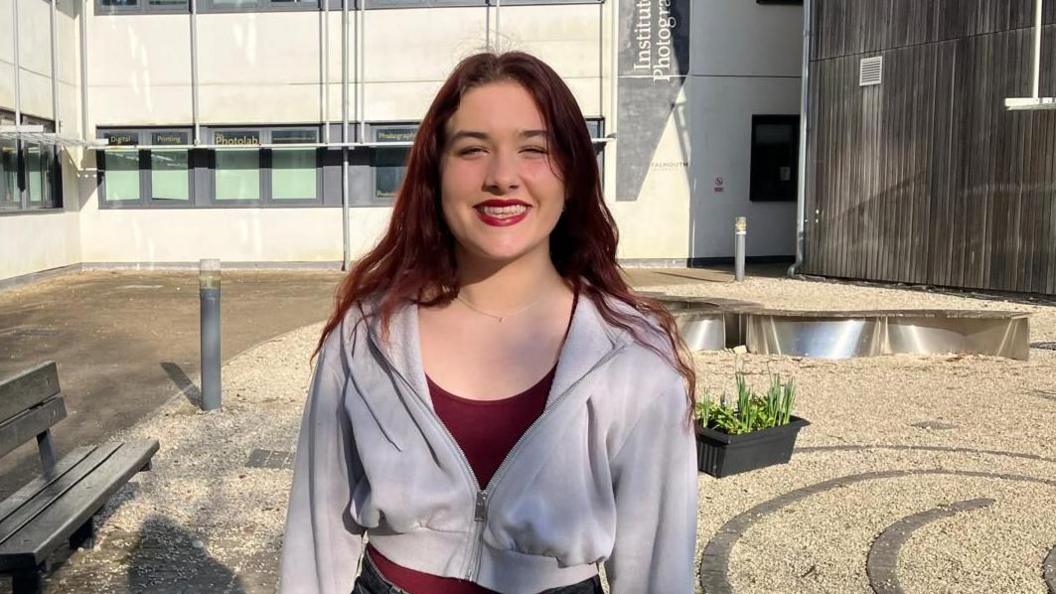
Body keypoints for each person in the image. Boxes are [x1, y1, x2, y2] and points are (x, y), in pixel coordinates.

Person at [279, 50, 698, 594]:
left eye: (534, 149)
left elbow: (658, 573)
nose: (503, 177)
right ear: (436, 172)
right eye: (473, 149)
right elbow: (317, 541)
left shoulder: (634, 358)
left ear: (571, 173)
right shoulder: (366, 336)